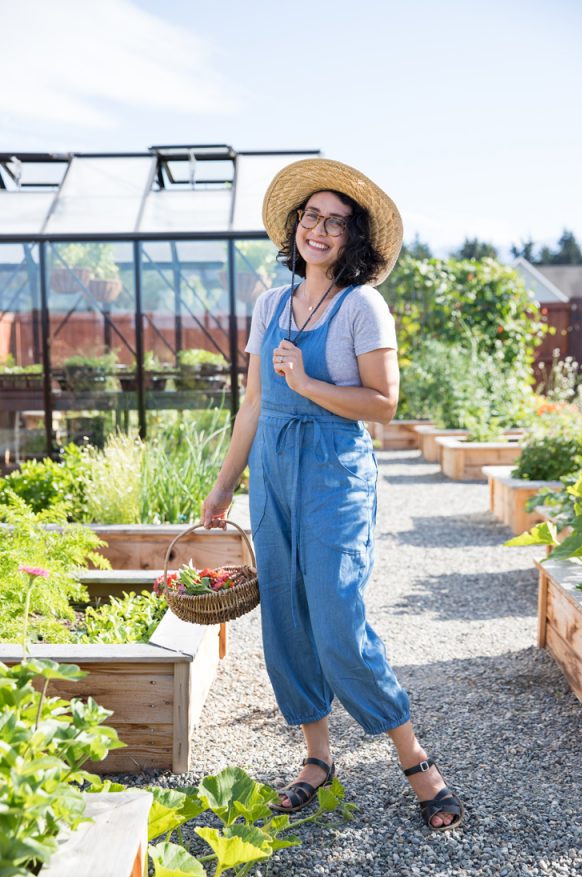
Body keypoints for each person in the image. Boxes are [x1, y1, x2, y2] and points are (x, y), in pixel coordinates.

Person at [201, 158, 464, 832]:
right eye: (311, 217)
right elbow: (254, 402)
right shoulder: (268, 303)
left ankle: (416, 760)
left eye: (336, 222)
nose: (320, 229)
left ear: (354, 239)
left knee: (338, 618)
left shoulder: (362, 306)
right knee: (284, 617)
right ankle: (316, 759)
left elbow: (383, 404)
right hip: (273, 471)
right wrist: (222, 488)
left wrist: (310, 381)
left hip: (334, 471)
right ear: (295, 227)